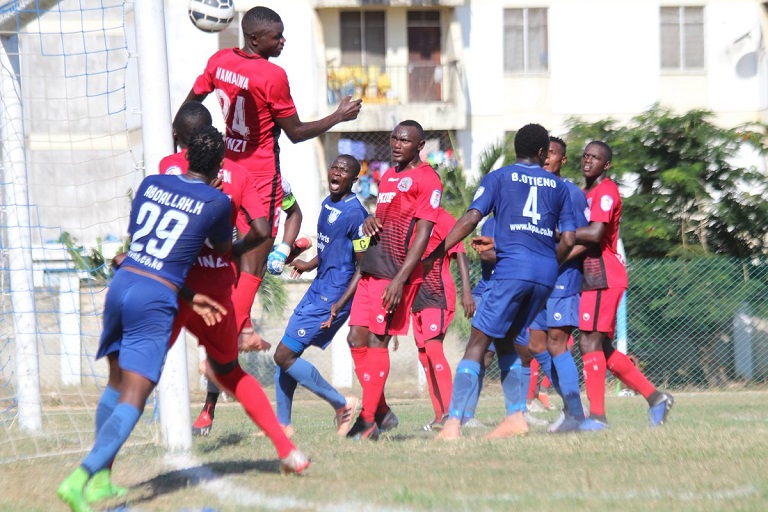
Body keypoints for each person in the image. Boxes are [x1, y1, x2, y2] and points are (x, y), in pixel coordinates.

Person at [184, 5, 362, 402]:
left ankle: (208, 405)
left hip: (223, 169)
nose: (282, 41)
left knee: (226, 269)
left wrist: (191, 153)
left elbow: (190, 110)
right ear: (254, 38)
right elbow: (296, 133)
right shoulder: (272, 75)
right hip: (260, 175)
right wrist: (337, 116)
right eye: (276, 36)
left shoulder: (218, 60)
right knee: (254, 262)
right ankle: (239, 332)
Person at [57, 126, 235, 511]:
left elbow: (145, 246)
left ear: (184, 156)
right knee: (136, 395)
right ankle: (80, 477)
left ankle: (103, 479)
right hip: (154, 297)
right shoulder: (217, 202)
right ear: (220, 165)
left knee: (115, 381)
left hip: (122, 283)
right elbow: (222, 249)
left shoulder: (152, 183)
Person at [424, 123, 576, 441]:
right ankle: (515, 417)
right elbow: (569, 238)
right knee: (507, 340)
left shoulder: (500, 177)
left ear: (516, 150)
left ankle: (452, 424)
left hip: (511, 271)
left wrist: (436, 251)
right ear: (540, 152)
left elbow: (470, 219)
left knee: (477, 344)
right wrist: (547, 263)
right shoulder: (560, 187)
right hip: (546, 274)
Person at [345, 120, 443, 440]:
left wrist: (400, 280)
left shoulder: (428, 179)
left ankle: (368, 420)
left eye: (405, 140)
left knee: (377, 341)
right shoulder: (388, 176)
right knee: (355, 339)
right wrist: (372, 219)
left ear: (420, 145)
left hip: (394, 273)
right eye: (394, 139)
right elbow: (385, 219)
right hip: (372, 267)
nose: (397, 144)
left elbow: (423, 234)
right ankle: (382, 411)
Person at [571, 141, 674, 430]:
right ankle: (657, 398)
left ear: (607, 165)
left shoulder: (606, 191)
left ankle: (598, 417)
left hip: (604, 276)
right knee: (600, 347)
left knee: (588, 341)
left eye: (595, 158)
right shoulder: (584, 193)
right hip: (591, 277)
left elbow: (594, 233)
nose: (588, 161)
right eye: (586, 156)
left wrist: (560, 234)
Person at [272, 154, 369, 436]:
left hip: (334, 295)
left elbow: (361, 267)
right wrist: (309, 263)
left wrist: (339, 305)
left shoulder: (356, 215)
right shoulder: (327, 204)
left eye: (344, 170)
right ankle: (283, 424)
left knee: (284, 354)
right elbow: (332, 250)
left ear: (354, 179)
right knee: (286, 352)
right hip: (319, 287)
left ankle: (342, 405)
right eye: (334, 167)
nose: (337, 172)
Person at [526, 136, 590, 432]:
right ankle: (570, 406)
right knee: (536, 342)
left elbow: (581, 241)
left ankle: (575, 412)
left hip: (562, 278)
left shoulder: (570, 192)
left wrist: (554, 264)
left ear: (562, 160)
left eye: (553, 154)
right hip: (536, 279)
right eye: (544, 153)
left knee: (556, 341)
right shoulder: (532, 189)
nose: (547, 158)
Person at [414, 207, 476, 431]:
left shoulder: (441, 217)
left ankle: (452, 414)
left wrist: (466, 292)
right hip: (415, 296)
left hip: (437, 293)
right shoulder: (410, 216)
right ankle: (440, 416)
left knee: (433, 350)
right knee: (424, 357)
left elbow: (459, 252)